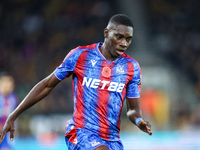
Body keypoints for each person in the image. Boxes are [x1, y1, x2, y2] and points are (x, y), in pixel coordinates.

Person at [0, 14, 152, 150]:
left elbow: (132, 109)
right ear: (106, 33)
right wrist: (13, 115)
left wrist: (139, 120)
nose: (124, 43)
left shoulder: (132, 67)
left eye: (128, 39)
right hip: (81, 133)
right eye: (119, 37)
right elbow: (47, 85)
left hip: (112, 140)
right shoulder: (81, 56)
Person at [0, 73, 18, 150]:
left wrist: (15, 127)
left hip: (7, 131)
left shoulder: (13, 98)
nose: (11, 86)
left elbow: (14, 114)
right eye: (9, 84)